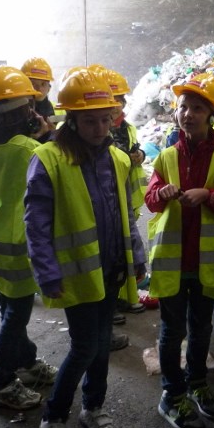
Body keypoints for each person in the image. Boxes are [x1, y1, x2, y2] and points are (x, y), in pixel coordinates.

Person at [24, 68, 147, 428]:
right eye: (89, 120)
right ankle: (54, 417)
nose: (98, 128)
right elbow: (36, 224)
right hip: (76, 274)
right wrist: (46, 272)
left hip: (110, 269)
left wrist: (137, 257)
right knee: (85, 347)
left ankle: (93, 409)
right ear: (71, 120)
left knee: (97, 349)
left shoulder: (117, 158)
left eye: (105, 119)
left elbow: (126, 211)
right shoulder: (48, 159)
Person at [145, 72, 214, 428]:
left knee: (201, 328)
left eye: (197, 108)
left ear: (212, 115)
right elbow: (150, 199)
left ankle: (197, 383)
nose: (187, 114)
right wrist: (160, 194)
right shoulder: (167, 156)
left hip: (205, 263)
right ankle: (172, 394)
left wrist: (209, 195)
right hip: (173, 263)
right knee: (172, 330)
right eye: (183, 107)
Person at [0, 66, 58, 410]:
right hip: (19, 244)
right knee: (16, 312)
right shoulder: (28, 149)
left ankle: (27, 363)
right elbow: (52, 166)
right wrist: (47, 137)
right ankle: (1, 383)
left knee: (8, 303)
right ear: (25, 111)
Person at [89, 64, 153, 314]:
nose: (118, 105)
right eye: (113, 99)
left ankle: (130, 284)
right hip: (108, 191)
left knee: (126, 237)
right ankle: (116, 298)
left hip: (125, 191)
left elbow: (133, 147)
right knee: (113, 242)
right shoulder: (98, 129)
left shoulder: (125, 126)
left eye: (120, 100)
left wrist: (139, 154)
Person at [21, 57, 57, 141]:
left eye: (43, 84)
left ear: (49, 88)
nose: (39, 88)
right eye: (33, 84)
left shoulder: (58, 109)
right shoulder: (18, 111)